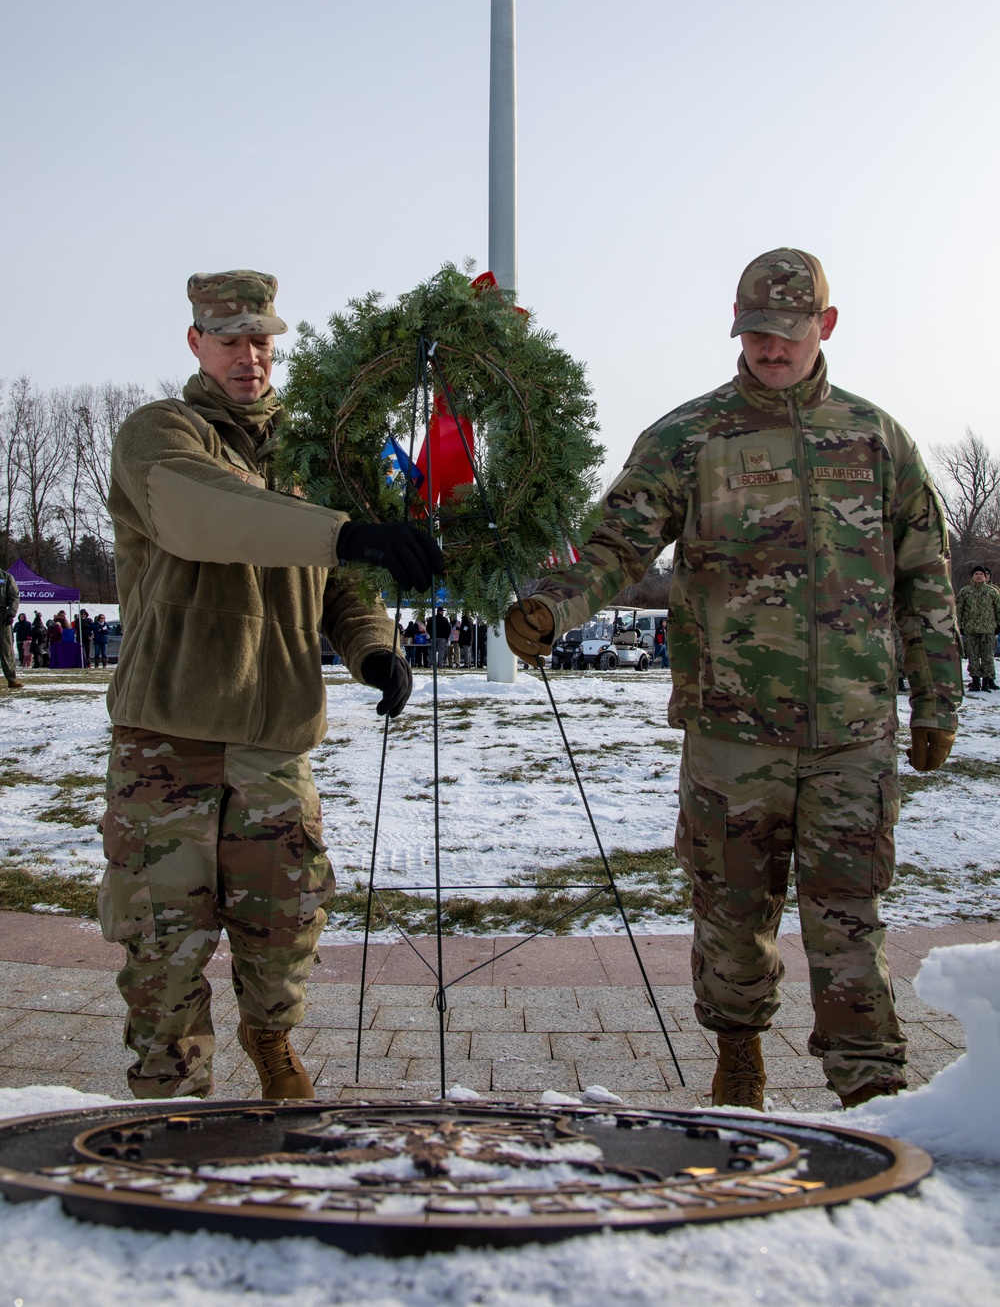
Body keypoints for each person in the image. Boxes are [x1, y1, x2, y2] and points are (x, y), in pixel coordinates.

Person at [506, 247, 961, 1111]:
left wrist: (938, 698)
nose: (768, 349)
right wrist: (553, 610)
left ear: (825, 325)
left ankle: (871, 1095)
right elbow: (615, 548)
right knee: (730, 920)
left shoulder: (875, 438)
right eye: (753, 333)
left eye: (786, 333)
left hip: (852, 738)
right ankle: (739, 1054)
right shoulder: (690, 438)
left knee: (850, 924)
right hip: (731, 738)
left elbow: (925, 573)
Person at [99, 269, 443, 1102]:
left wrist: (373, 650)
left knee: (283, 925)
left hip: (276, 741)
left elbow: (339, 587)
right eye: (229, 338)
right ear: (195, 342)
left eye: (261, 338)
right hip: (167, 742)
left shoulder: (315, 452)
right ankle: (168, 1099)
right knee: (163, 940)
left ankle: (271, 1036)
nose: (248, 355)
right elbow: (205, 515)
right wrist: (348, 531)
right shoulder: (160, 434)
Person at [955, 564, 1000, 692]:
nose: (979, 576)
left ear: (985, 577)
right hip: (970, 630)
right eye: (976, 574)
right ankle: (975, 682)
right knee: (973, 657)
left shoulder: (992, 592)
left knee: (987, 657)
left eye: (981, 574)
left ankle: (986, 683)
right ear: (972, 576)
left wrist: (998, 625)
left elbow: (998, 609)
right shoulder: (965, 591)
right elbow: (959, 610)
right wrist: (960, 626)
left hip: (988, 630)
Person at [0, 566, 23, 689]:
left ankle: (11, 679)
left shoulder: (6, 577)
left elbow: (14, 596)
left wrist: (11, 614)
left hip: (2, 615)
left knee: (6, 648)